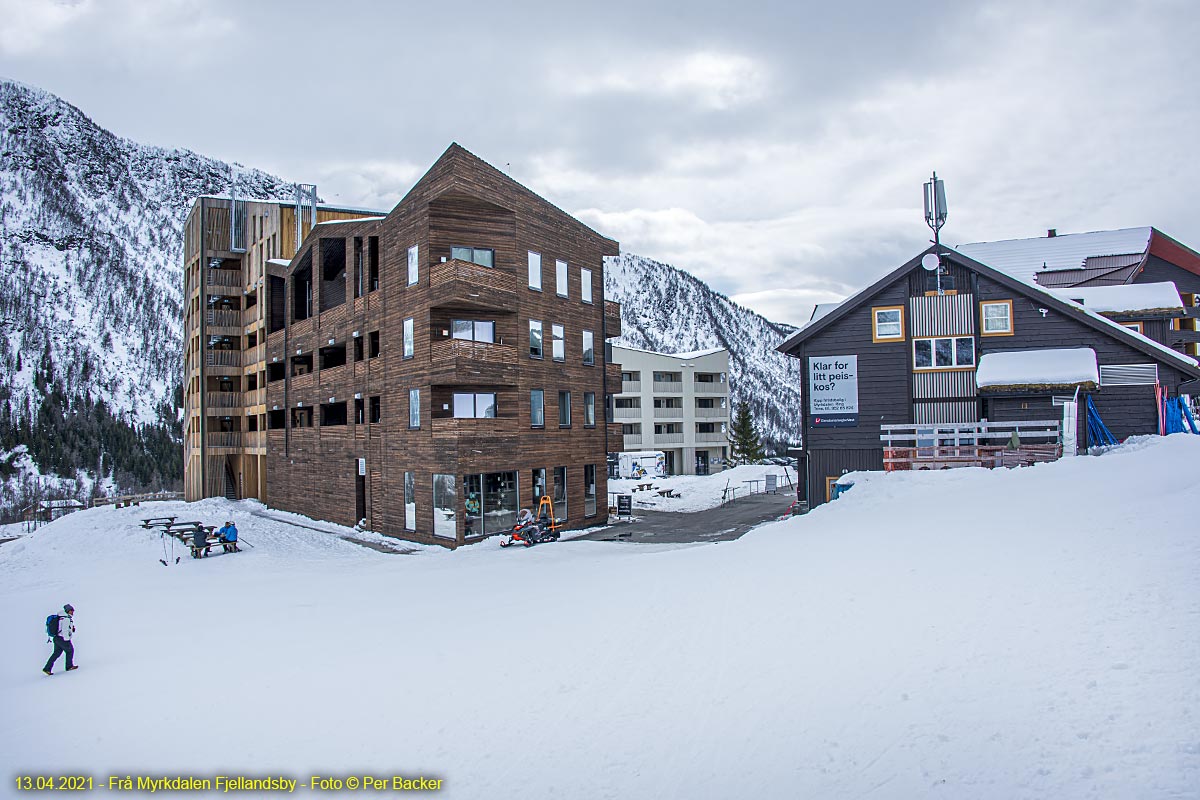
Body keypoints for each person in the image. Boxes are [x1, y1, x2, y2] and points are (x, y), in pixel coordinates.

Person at [43, 604, 77, 675]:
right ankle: (69, 666)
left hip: (57, 638)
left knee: (56, 654)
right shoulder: (66, 619)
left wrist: (71, 629)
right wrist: (67, 639)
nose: (72, 612)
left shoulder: (60, 618)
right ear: (68, 611)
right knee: (70, 651)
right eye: (71, 611)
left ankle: (47, 668)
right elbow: (64, 630)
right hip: (62, 639)